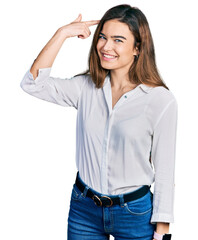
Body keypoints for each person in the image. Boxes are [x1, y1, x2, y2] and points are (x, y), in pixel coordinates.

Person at [20, 4, 177, 240]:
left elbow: (165, 171)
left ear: (137, 48)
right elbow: (32, 84)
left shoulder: (160, 100)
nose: (106, 46)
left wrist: (162, 232)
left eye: (118, 40)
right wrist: (62, 33)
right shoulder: (85, 88)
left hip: (134, 214)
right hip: (84, 210)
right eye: (102, 37)